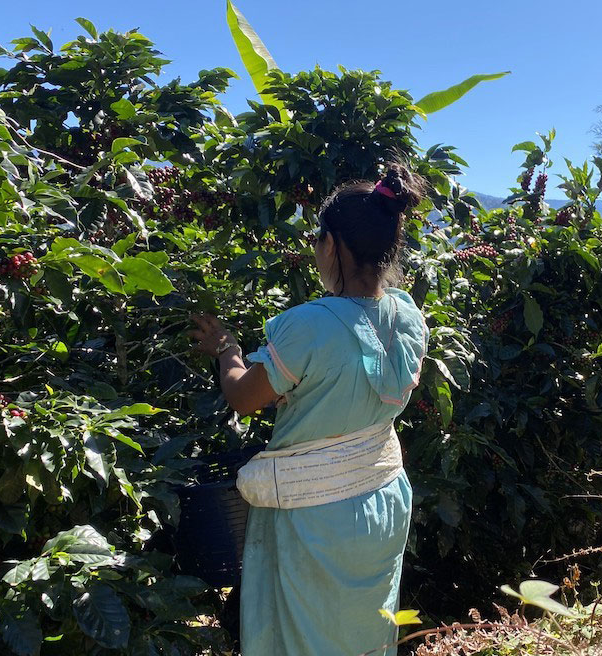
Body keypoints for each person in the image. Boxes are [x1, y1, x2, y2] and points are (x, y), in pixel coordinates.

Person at [188, 163, 428, 656]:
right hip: (382, 501)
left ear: (333, 245)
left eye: (320, 236)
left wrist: (227, 349)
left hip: (317, 518)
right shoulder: (407, 315)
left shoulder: (308, 326)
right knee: (365, 628)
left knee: (303, 637)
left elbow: (242, 397)